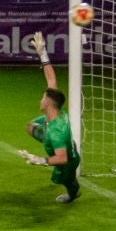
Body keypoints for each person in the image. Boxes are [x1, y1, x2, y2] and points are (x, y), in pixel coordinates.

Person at [20, 32, 80, 204]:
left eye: (43, 98)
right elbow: (51, 79)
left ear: (48, 104)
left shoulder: (56, 131)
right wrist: (42, 54)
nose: (40, 99)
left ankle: (73, 193)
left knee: (66, 181)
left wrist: (40, 160)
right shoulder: (56, 110)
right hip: (60, 141)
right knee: (30, 126)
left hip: (67, 159)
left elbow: (61, 158)